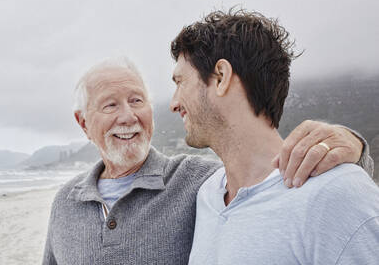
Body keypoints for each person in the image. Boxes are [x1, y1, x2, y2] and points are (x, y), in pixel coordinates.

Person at [42, 57, 373, 265]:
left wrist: (354, 146)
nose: (128, 116)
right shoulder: (65, 204)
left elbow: (275, 176)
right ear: (83, 123)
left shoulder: (199, 181)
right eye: (110, 105)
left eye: (137, 100)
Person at [167, 9, 379, 264]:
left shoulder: (337, 194)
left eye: (180, 82)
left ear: (221, 77)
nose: (174, 103)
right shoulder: (208, 196)